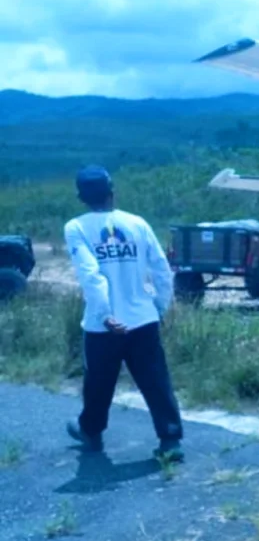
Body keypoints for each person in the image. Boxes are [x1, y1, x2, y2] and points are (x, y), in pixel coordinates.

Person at [62, 165, 185, 463]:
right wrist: (159, 307)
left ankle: (91, 433)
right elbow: (161, 270)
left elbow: (92, 275)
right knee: (155, 380)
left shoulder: (76, 228)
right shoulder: (137, 223)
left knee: (98, 383)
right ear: (112, 192)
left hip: (103, 326)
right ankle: (170, 440)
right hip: (143, 319)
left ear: (81, 198)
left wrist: (105, 314)